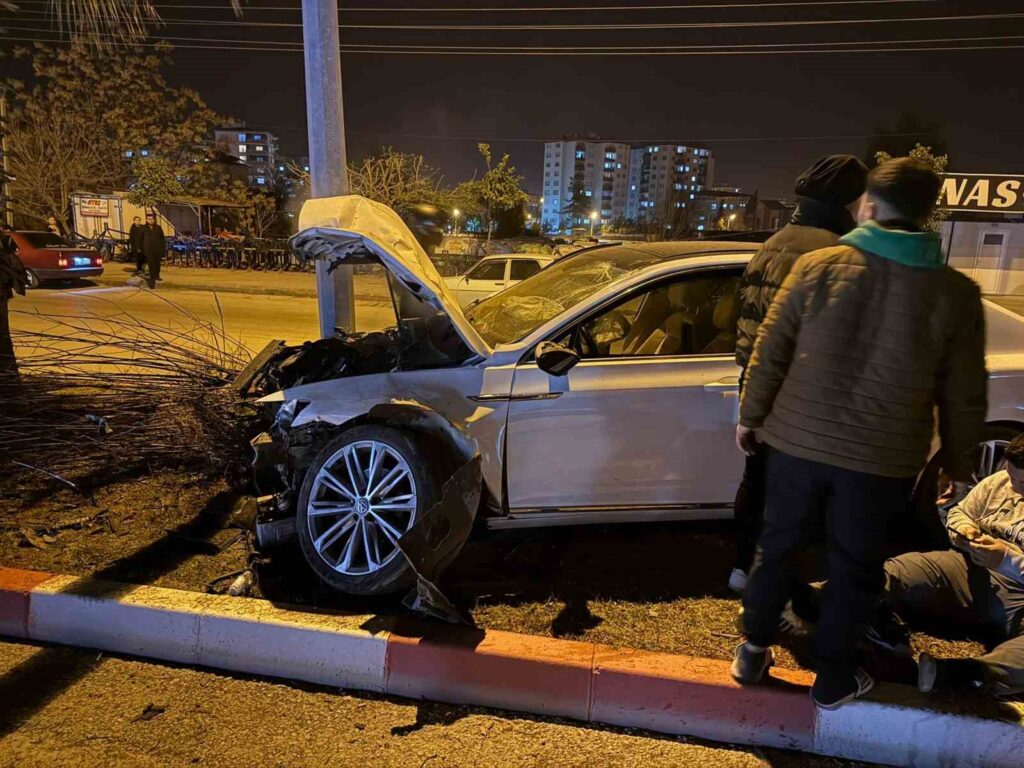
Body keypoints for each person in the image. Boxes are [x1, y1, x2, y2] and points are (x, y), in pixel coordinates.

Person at [731, 157, 988, 709]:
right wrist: (959, 463)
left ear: (868, 205)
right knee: (854, 566)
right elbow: (965, 391)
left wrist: (751, 416)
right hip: (881, 459)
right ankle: (832, 680)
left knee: (777, 547)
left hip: (796, 442)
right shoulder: (956, 293)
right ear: (926, 215)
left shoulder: (819, 267)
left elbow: (770, 349)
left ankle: (751, 651)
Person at [730, 154, 869, 593]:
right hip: (805, 391)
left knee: (757, 483)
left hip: (759, 383)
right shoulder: (837, 251)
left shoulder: (775, 242)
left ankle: (741, 568)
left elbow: (749, 320)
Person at [880, 434, 1024, 695]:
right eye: (1011, 477)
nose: (1013, 488)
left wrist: (1007, 560)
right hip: (971, 571)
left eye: (1022, 482)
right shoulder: (1002, 482)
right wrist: (963, 529)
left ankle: (969, 675)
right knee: (901, 569)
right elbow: (961, 512)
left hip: (1019, 597)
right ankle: (821, 600)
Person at [141, 212, 166, 290]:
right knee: (151, 265)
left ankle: (157, 275)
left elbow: (162, 239)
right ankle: (152, 281)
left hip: (157, 249)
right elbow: (140, 239)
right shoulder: (143, 228)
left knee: (157, 264)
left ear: (154, 220)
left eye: (152, 219)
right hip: (148, 250)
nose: (150, 220)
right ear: (146, 220)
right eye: (149, 219)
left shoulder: (158, 228)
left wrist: (162, 249)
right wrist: (141, 249)